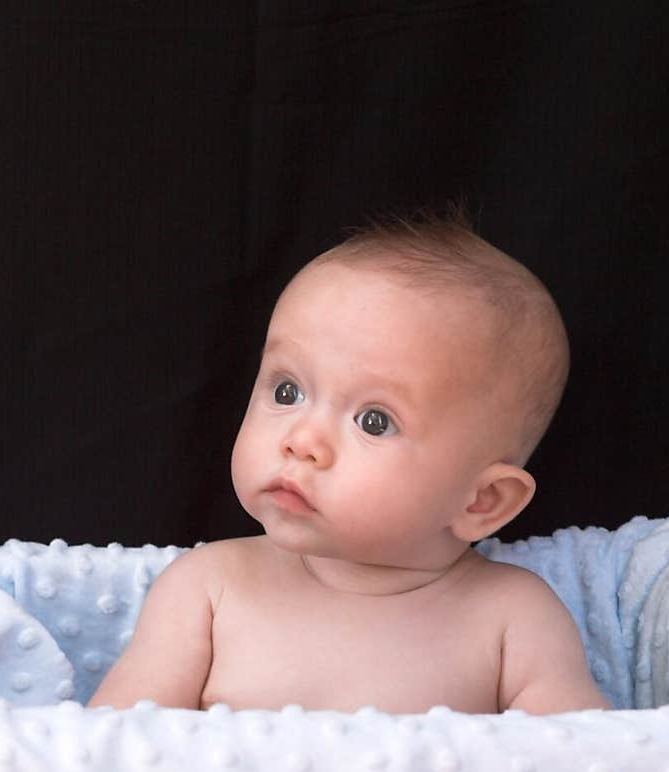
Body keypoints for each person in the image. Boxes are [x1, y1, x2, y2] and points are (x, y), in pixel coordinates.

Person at [88, 205, 610, 715]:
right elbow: (106, 757)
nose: (302, 440)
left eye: (374, 421)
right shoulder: (206, 588)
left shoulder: (513, 620)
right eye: (288, 391)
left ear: (483, 501)